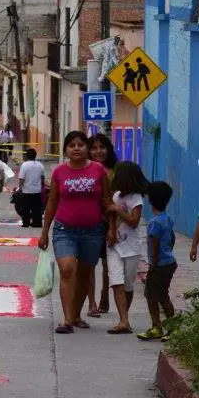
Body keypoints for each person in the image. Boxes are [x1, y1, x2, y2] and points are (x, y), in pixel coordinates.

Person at [39, 130, 110, 334]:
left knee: (85, 274)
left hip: (93, 231)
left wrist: (112, 229)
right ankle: (66, 319)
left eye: (80, 144)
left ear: (87, 148)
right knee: (68, 269)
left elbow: (106, 202)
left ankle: (76, 314)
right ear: (66, 150)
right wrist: (44, 232)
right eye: (72, 145)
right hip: (64, 230)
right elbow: (52, 203)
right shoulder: (59, 172)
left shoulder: (98, 170)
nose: (76, 148)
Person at [104, 161, 149, 334]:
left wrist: (118, 209)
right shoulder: (116, 196)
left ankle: (125, 318)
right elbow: (111, 218)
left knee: (128, 286)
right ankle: (123, 321)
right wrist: (111, 230)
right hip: (114, 246)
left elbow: (133, 222)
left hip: (131, 247)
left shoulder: (136, 198)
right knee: (116, 282)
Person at [136, 181, 177, 340]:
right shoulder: (167, 218)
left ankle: (158, 327)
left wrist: (152, 265)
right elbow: (172, 238)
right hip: (169, 262)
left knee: (154, 296)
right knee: (161, 295)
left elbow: (154, 244)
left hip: (158, 265)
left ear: (151, 199)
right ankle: (170, 328)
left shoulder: (154, 222)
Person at [85, 133, 118, 316]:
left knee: (108, 264)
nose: (98, 151)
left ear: (108, 149)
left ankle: (105, 296)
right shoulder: (83, 170)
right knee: (89, 264)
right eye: (94, 148)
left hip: (110, 223)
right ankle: (91, 303)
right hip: (89, 223)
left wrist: (113, 225)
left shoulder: (116, 171)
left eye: (102, 147)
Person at [18, 147, 45, 227]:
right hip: (37, 190)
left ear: (26, 156)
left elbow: (21, 178)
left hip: (27, 190)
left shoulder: (24, 165)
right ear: (35, 156)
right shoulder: (40, 165)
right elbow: (42, 177)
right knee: (36, 208)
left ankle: (26, 223)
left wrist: (20, 188)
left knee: (25, 208)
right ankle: (37, 223)